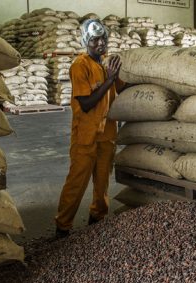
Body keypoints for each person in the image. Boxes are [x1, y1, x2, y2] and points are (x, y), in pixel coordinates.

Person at [54, 19, 124, 238]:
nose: (100, 43)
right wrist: (109, 80)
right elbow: (85, 103)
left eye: (103, 38)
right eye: (94, 39)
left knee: (102, 182)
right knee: (77, 182)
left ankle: (97, 219)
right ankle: (63, 227)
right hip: (85, 135)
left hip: (107, 134)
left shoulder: (108, 64)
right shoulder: (80, 65)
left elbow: (124, 87)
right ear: (86, 41)